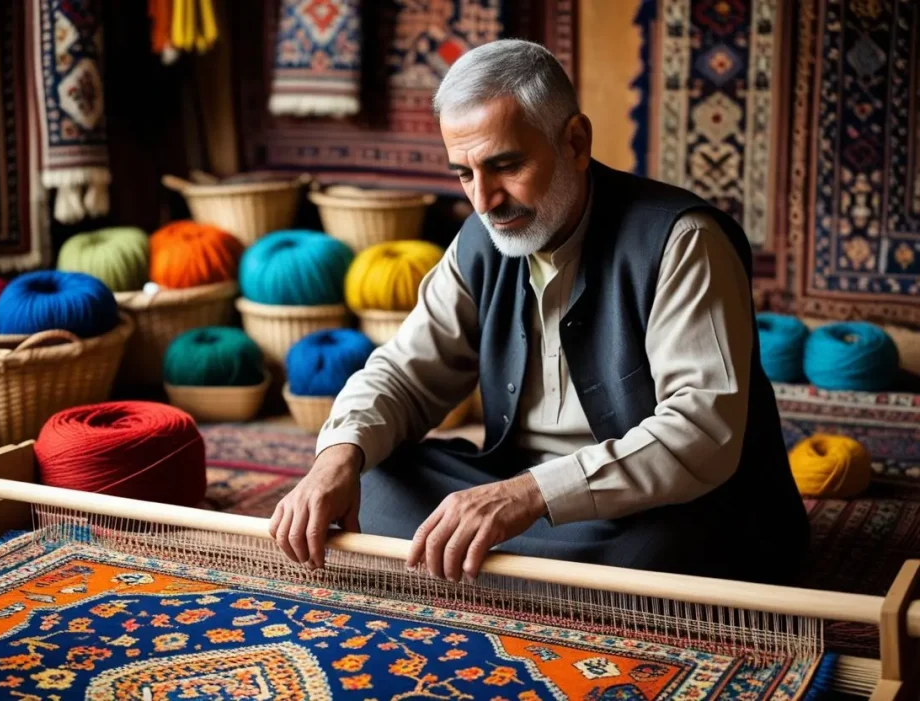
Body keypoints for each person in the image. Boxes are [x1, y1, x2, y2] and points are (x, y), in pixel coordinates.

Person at [268, 39, 809, 586]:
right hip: (518, 491)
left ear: (575, 141)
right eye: (464, 173)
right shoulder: (482, 240)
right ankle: (524, 567)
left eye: (505, 165)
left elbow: (700, 433)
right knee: (374, 473)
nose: (484, 200)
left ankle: (495, 563)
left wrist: (527, 495)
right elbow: (405, 373)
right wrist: (337, 455)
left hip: (652, 508)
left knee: (662, 552)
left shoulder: (682, 241)